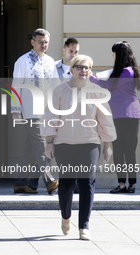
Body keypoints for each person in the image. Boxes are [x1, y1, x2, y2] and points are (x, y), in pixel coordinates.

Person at [42, 54, 116, 240]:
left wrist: (107, 145)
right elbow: (51, 117)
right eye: (80, 67)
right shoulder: (59, 91)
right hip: (64, 144)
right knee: (66, 185)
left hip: (89, 144)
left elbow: (105, 120)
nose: (84, 71)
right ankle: (66, 217)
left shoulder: (97, 92)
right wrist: (49, 142)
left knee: (87, 183)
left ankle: (84, 226)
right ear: (72, 70)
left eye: (87, 68)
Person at [11, 28, 59, 195]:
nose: (43, 45)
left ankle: (21, 182)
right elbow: (16, 86)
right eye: (40, 42)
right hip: (30, 111)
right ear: (32, 42)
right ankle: (48, 179)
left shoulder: (51, 61)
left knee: (30, 149)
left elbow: (55, 87)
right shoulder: (22, 61)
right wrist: (15, 110)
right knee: (40, 145)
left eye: (46, 42)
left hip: (46, 112)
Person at [90, 41, 140, 193]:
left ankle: (129, 185)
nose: (112, 55)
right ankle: (125, 184)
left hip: (125, 114)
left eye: (114, 53)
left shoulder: (126, 72)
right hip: (124, 114)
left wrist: (90, 77)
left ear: (118, 55)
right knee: (123, 150)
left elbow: (108, 86)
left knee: (125, 150)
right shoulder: (128, 71)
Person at [55, 38, 80, 194]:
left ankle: (74, 183)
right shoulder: (52, 67)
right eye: (71, 51)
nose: (74, 54)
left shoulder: (81, 68)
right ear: (64, 50)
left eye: (76, 51)